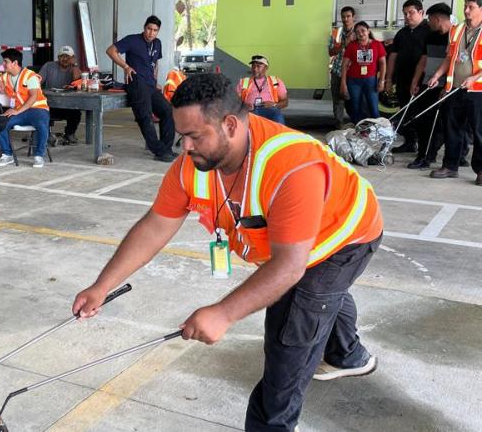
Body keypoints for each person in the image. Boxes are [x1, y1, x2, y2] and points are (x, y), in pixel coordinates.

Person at [73, 73, 383, 431]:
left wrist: (223, 313)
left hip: (345, 237)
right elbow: (156, 225)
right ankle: (348, 355)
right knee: (324, 299)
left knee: (290, 340)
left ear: (231, 124)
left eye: (194, 136)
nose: (184, 147)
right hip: (298, 247)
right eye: (181, 136)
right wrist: (102, 285)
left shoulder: (292, 166)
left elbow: (289, 267)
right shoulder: (192, 166)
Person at [427, 0, 482, 186]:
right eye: (465, 6)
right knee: (452, 128)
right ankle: (450, 166)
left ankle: (481, 170)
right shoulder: (456, 30)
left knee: (479, 131)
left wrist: (474, 78)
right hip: (454, 88)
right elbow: (450, 58)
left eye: (471, 7)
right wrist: (437, 75)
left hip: (477, 91)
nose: (466, 11)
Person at [107, 15, 176, 162]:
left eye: (155, 30)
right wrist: (126, 66)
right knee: (145, 116)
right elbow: (111, 50)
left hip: (151, 85)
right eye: (149, 29)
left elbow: (155, 63)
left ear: (158, 31)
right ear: (144, 28)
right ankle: (158, 150)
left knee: (167, 111)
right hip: (137, 83)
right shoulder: (133, 40)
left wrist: (155, 80)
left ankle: (166, 148)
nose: (151, 33)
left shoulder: (157, 43)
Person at [407, 3, 459, 170]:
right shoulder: (430, 36)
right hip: (429, 84)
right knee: (424, 122)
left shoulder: (456, 35)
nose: (428, 22)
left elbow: (454, 62)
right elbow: (424, 59)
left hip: (448, 86)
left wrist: (446, 85)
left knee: (445, 125)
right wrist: (416, 80)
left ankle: (435, 156)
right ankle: (424, 156)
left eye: (430, 19)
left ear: (437, 19)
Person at [0, 48, 51, 168]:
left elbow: (33, 97)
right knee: (1, 122)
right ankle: (7, 155)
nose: (3, 64)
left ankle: (39, 156)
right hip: (20, 111)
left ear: (15, 63)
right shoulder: (5, 76)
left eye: (5, 61)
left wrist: (17, 111)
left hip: (38, 109)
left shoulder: (30, 76)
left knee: (42, 124)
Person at [386, 0, 430, 153]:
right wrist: (389, 79)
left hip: (422, 82)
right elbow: (393, 56)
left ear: (421, 12)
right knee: (405, 111)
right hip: (402, 79)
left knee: (421, 113)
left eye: (411, 13)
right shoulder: (402, 33)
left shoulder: (429, 31)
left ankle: (425, 147)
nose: (407, 16)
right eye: (405, 14)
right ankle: (410, 142)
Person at [341, 21, 387, 124]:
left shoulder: (377, 44)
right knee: (356, 108)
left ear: (368, 31)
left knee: (374, 108)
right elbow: (344, 65)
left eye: (363, 31)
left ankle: (377, 130)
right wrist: (343, 83)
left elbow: (383, 63)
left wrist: (382, 80)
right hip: (353, 81)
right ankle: (360, 131)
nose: (360, 34)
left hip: (371, 80)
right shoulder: (352, 46)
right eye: (357, 32)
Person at [38, 45, 82, 144]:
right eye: (62, 56)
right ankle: (47, 135)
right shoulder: (48, 66)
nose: (65, 59)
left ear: (72, 58)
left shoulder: (74, 69)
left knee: (76, 113)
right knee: (42, 111)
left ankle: (69, 134)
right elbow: (38, 80)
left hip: (67, 104)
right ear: (58, 57)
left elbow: (77, 81)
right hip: (49, 103)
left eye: (68, 57)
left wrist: (74, 65)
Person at [235, 55, 289, 124]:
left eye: (258, 66)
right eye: (253, 66)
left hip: (270, 111)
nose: (255, 69)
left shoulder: (275, 81)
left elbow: (285, 102)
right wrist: (244, 106)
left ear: (266, 68)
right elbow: (235, 102)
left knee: (277, 117)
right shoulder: (243, 82)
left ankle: (279, 133)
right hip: (250, 111)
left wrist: (274, 105)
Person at [328, 6, 356, 127]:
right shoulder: (336, 33)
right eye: (343, 17)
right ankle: (338, 125)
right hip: (337, 70)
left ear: (353, 17)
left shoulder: (359, 31)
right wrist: (343, 44)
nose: (345, 19)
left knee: (354, 99)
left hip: (353, 72)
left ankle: (357, 124)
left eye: (348, 16)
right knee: (337, 101)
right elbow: (331, 52)